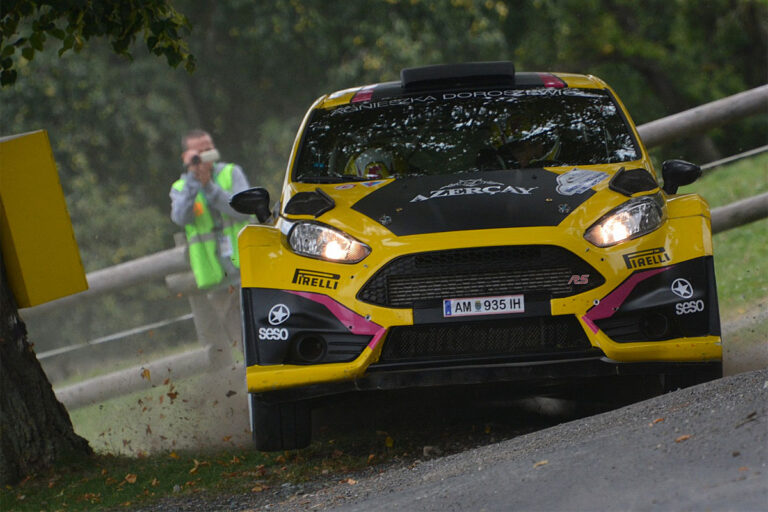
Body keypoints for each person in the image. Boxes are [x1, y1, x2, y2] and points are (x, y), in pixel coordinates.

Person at [170, 129, 252, 289]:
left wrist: (209, 187)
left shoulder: (231, 172)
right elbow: (181, 218)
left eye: (208, 150)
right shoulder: (180, 188)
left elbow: (244, 211)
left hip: (247, 267)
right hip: (214, 277)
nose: (205, 156)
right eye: (198, 153)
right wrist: (193, 182)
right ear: (186, 157)